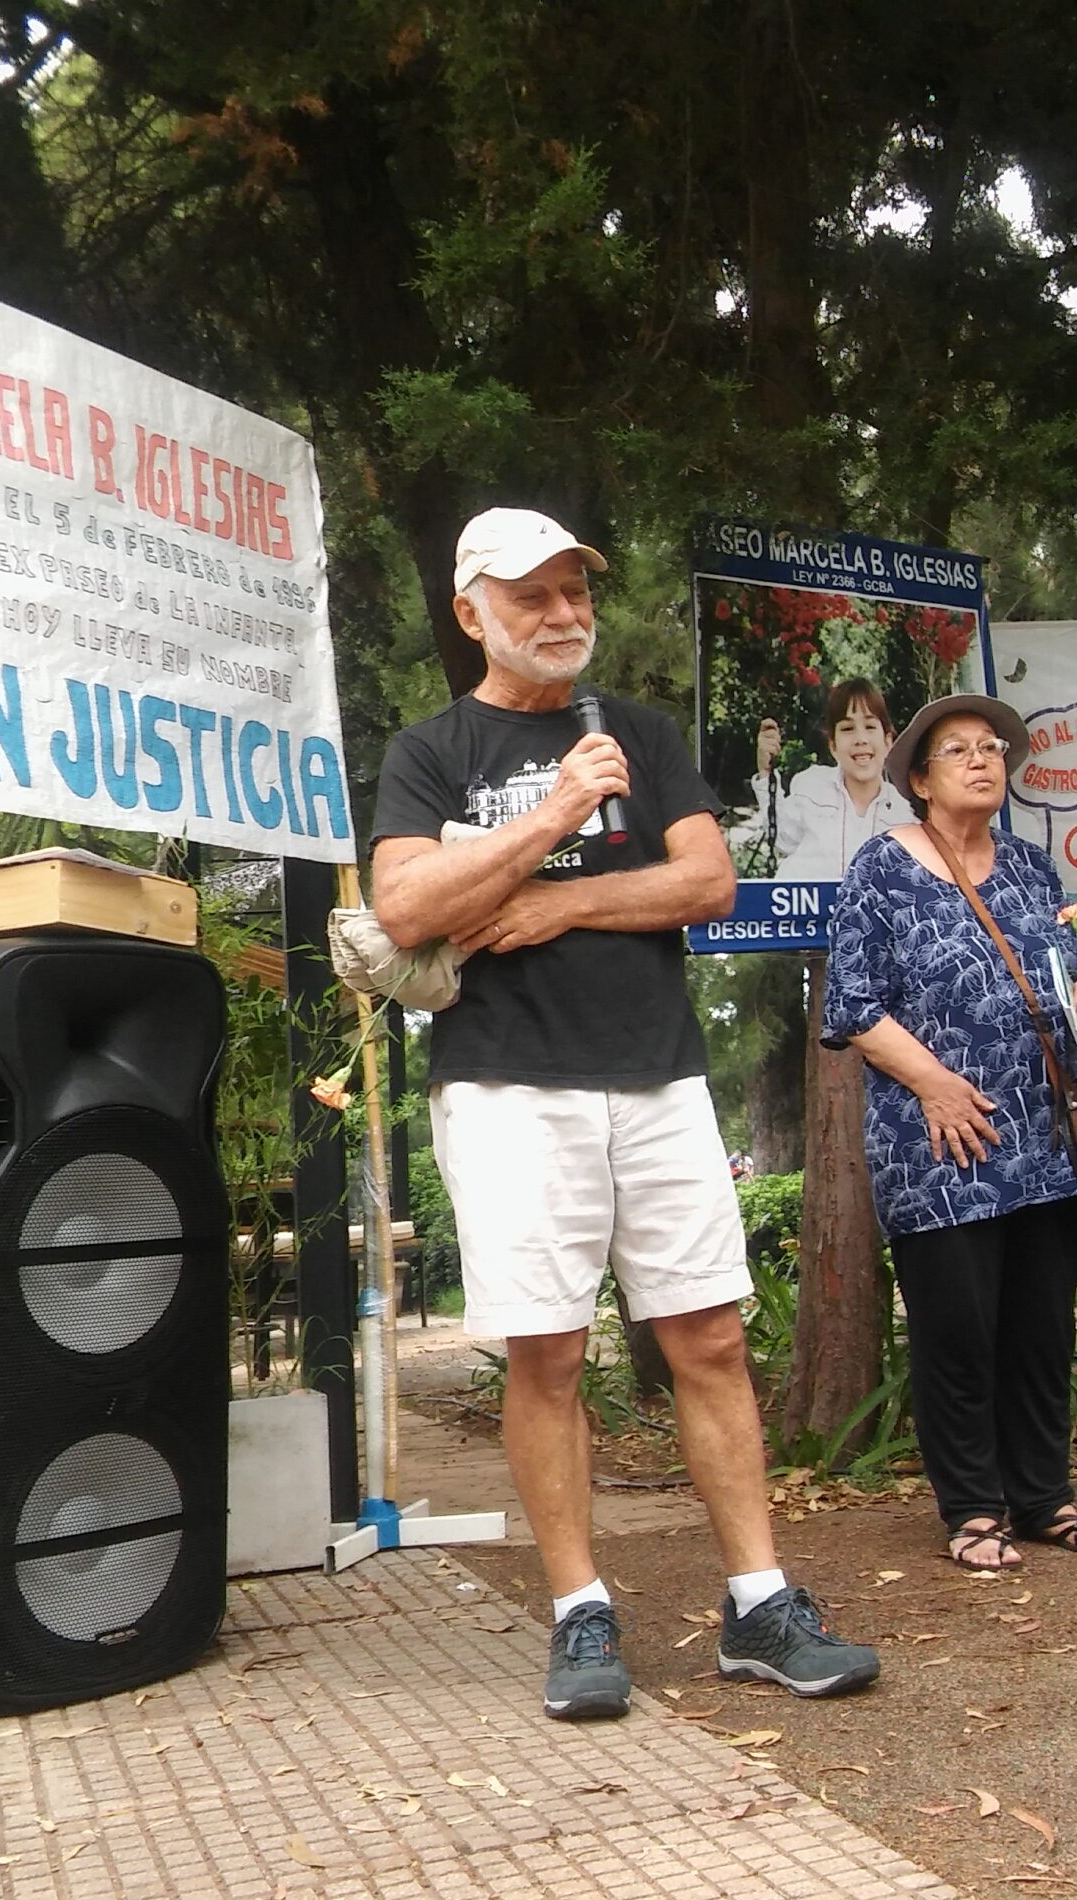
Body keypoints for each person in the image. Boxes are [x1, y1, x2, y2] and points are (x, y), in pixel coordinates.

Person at [370, 507, 879, 1717]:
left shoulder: (642, 736)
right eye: (532, 597)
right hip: (502, 1082)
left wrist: (558, 908)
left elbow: (708, 881)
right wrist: (553, 818)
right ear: (472, 613)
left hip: (654, 1073)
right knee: (545, 1352)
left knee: (704, 1336)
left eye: (573, 593)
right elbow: (402, 909)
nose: (560, 616)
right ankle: (579, 1614)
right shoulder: (430, 752)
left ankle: (759, 1604)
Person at [819, 693, 1077, 1570]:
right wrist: (938, 1086)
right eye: (959, 751)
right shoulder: (882, 868)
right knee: (958, 1330)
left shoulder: (1031, 868)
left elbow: (1057, 978)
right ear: (919, 778)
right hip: (938, 1143)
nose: (983, 760)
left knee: (1040, 1326)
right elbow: (853, 1009)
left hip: (1046, 1141)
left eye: (992, 748)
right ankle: (973, 1510)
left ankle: (1043, 1499)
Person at [755, 679, 916, 881]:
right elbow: (782, 838)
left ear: (888, 741)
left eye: (870, 726)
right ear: (833, 746)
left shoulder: (905, 817)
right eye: (848, 729)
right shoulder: (811, 786)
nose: (861, 739)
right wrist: (765, 772)